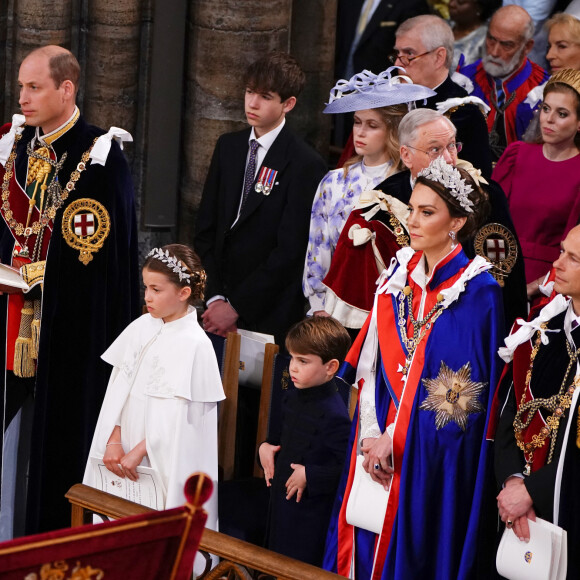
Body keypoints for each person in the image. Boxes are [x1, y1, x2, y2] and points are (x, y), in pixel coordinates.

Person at [324, 157, 504, 579]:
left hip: (428, 454)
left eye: (428, 212)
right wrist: (371, 433)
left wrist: (396, 440)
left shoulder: (477, 291)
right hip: (374, 441)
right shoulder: (397, 273)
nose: (414, 220)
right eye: (412, 209)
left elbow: (458, 401)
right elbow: (368, 363)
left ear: (457, 221)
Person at [0, 45, 139, 536]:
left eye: (34, 87)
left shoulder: (100, 156)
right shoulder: (17, 145)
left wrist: (47, 274)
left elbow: (99, 264)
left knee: (53, 447)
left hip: (68, 332)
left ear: (66, 88)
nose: (23, 98)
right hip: (10, 319)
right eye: (21, 86)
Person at [84, 244, 224, 573]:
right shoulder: (141, 327)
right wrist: (115, 440)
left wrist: (139, 452)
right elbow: (119, 391)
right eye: (145, 287)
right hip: (122, 448)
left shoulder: (195, 344)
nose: (147, 296)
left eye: (156, 289)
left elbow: (181, 423)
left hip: (160, 460)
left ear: (184, 292)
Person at [195, 51, 327, 345]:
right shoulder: (228, 147)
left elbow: (290, 251)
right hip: (215, 307)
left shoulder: (305, 162)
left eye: (265, 96)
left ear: (288, 104)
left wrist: (236, 306)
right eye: (249, 92)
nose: (252, 103)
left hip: (267, 312)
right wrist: (215, 298)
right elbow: (206, 229)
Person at [303, 68, 435, 328]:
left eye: (372, 125)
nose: (360, 132)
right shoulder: (333, 182)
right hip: (336, 312)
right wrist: (320, 308)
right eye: (356, 122)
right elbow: (317, 251)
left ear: (393, 130)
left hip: (396, 311)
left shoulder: (408, 185)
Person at [376, 108, 527, 329]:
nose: (448, 159)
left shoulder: (485, 196)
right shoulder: (382, 202)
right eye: (435, 149)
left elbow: (504, 277)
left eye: (452, 146)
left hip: (469, 323)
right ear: (406, 155)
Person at [493, 224, 580, 576]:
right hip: (519, 508)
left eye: (572, 258)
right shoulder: (544, 325)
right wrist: (513, 480)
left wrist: (534, 490)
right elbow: (511, 410)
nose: (556, 264)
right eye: (561, 251)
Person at [258, 316, 352, 566]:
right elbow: (278, 439)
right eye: (292, 358)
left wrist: (310, 474)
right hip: (280, 501)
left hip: (309, 512)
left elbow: (343, 468)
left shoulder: (335, 414)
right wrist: (264, 447)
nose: (293, 368)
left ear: (331, 367)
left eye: (303, 361)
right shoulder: (292, 396)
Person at [492, 69, 580, 301]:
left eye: (562, 114)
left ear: (579, 123)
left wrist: (538, 286)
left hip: (550, 284)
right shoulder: (516, 154)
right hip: (499, 271)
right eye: (546, 108)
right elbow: (489, 222)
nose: (548, 119)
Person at [392, 14, 494, 178]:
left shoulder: (464, 114)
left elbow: (476, 188)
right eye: (398, 53)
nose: (397, 64)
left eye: (409, 54)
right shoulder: (391, 101)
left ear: (439, 57)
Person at [460, 5, 550, 160]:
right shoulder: (464, 80)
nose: (494, 52)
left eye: (506, 45)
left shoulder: (544, 91)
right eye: (491, 39)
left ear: (527, 46)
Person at [449, 0, 501, 70]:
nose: (451, 4)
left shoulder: (487, 39)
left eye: (460, 2)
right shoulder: (441, 25)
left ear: (479, 8)